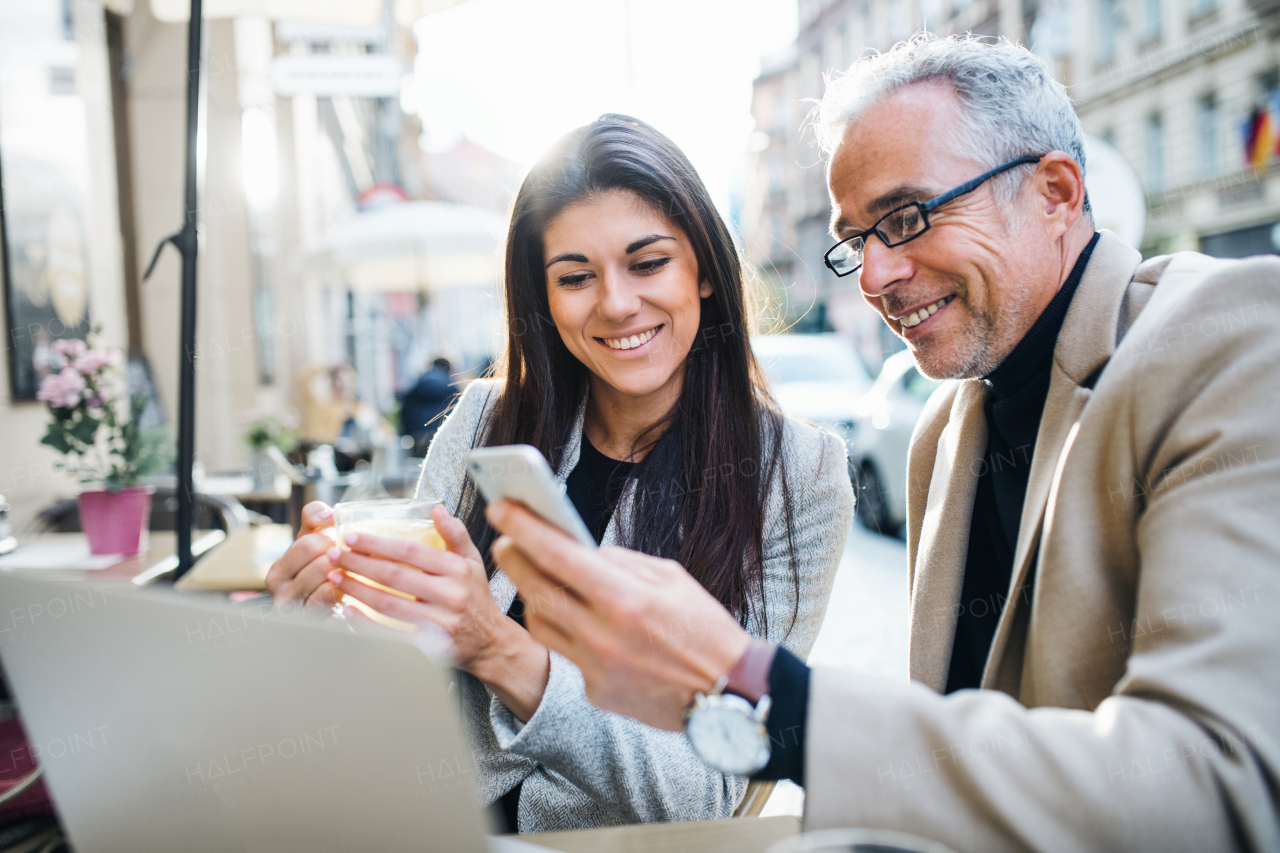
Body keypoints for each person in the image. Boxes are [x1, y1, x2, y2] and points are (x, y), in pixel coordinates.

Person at [485, 35, 1280, 851]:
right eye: (859, 238)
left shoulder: (1229, 333)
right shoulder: (944, 430)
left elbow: (1218, 784)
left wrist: (764, 691)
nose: (874, 276)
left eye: (905, 218)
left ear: (1055, 192)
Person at [266, 115, 854, 833]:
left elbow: (704, 792)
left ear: (702, 270)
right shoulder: (485, 419)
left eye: (647, 263)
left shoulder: (800, 476)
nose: (614, 302)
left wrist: (502, 650)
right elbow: (402, 678)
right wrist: (329, 624)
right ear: (542, 297)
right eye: (575, 277)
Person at [398, 357, 460, 457]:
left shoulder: (414, 388)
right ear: (449, 369)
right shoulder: (453, 390)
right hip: (444, 442)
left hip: (416, 442)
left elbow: (404, 414)